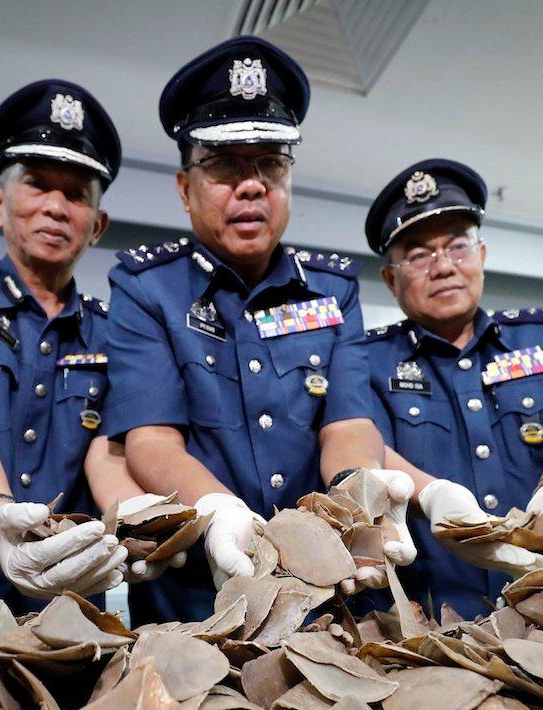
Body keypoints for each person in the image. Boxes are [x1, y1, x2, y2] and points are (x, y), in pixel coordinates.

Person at [105, 36, 416, 625]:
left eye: (270, 162)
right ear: (184, 187)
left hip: (327, 581)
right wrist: (218, 510)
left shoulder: (332, 291)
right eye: (224, 164)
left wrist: (357, 498)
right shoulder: (146, 288)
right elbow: (151, 440)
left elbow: (347, 422)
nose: (252, 185)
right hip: (198, 588)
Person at [0, 80, 180, 626]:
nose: (56, 208)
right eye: (38, 186)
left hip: (62, 606)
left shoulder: (113, 330)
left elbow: (105, 454)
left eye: (77, 195)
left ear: (98, 225)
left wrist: (134, 521)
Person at [362, 159, 543, 618]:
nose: (444, 267)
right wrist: (431, 495)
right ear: (391, 279)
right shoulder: (365, 360)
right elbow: (368, 450)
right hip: (425, 614)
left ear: (481, 256)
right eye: (420, 255)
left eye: (458, 247)